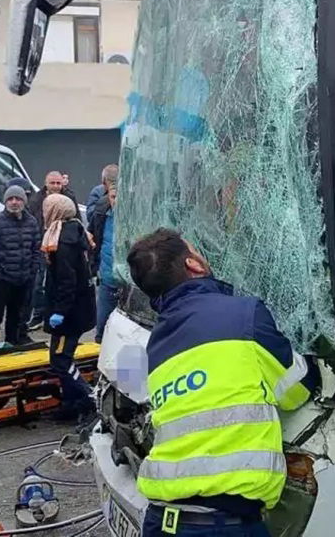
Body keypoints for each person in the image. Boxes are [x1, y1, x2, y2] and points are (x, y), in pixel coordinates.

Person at [126, 228, 317, 537]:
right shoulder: (243, 315)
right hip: (219, 525)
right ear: (195, 265)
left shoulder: (158, 340)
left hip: (160, 519)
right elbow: (295, 391)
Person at [40, 194, 97, 421]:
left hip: (69, 312)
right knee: (63, 357)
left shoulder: (62, 240)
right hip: (79, 307)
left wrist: (59, 312)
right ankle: (73, 403)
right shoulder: (75, 231)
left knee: (61, 360)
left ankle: (89, 397)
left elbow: (66, 279)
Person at [0, 184, 41, 348]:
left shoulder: (31, 222)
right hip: (1, 280)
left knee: (16, 316)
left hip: (23, 279)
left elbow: (36, 248)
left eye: (18, 199)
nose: (14, 202)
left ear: (24, 201)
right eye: (11, 199)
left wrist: (32, 271)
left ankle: (12, 345)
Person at [26, 171, 75, 329]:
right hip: (42, 245)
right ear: (46, 183)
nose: (55, 186)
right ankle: (39, 314)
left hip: (62, 245)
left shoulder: (69, 198)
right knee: (39, 283)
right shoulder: (35, 200)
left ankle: (56, 312)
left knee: (59, 281)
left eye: (58, 183)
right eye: (52, 183)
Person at [88, 180, 118, 342]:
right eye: (113, 196)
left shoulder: (135, 218)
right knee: (102, 324)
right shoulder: (102, 214)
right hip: (107, 277)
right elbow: (92, 235)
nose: (116, 201)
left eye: (120, 196)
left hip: (130, 281)